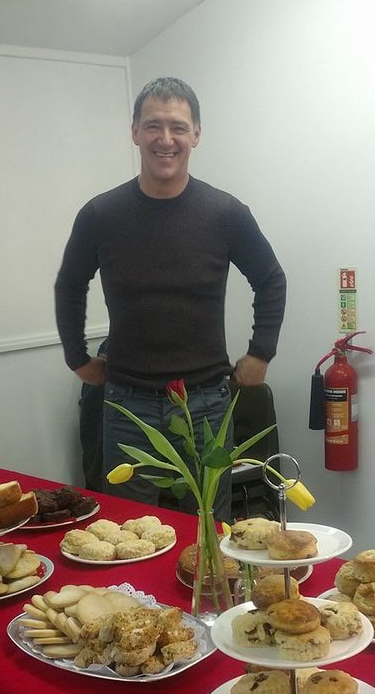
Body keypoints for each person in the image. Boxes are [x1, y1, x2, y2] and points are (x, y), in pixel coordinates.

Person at [54, 77, 287, 520]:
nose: (166, 139)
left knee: (207, 529)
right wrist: (76, 357)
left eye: (178, 127)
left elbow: (271, 279)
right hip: (127, 402)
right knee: (128, 531)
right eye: (153, 126)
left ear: (196, 133)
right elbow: (69, 284)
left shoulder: (225, 213)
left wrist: (261, 353)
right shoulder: (101, 215)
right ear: (135, 132)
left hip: (206, 402)